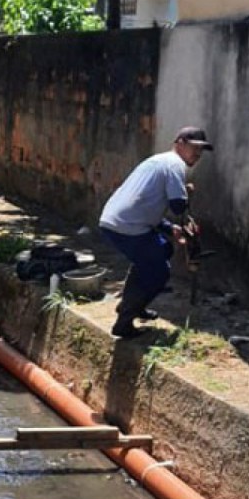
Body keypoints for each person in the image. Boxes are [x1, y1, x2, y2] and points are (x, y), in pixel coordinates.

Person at [99, 126, 213, 339]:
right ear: (180, 143)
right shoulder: (175, 165)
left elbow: (146, 204)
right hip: (128, 226)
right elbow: (178, 206)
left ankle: (132, 304)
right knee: (158, 272)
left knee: (162, 249)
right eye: (194, 148)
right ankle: (124, 323)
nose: (198, 154)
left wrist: (170, 228)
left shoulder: (158, 161)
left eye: (201, 150)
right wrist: (186, 193)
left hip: (117, 220)